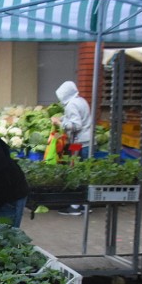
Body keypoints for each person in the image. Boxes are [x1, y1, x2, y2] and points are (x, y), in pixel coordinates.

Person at [52, 81, 92, 216]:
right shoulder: (81, 101)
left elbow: (76, 125)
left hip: (78, 142)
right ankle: (85, 204)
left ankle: (75, 206)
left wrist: (60, 122)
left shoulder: (71, 105)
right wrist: (64, 118)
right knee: (84, 172)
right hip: (87, 141)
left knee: (75, 170)